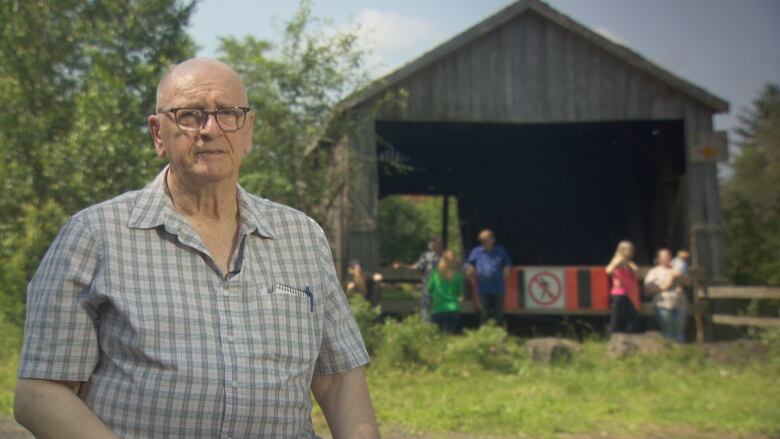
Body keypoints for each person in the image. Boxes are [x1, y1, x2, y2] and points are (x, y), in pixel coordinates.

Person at [14, 58, 379, 439]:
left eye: (228, 113)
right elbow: (40, 393)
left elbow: (339, 380)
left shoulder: (302, 237)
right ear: (158, 134)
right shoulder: (94, 235)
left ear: (248, 130)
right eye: (189, 115)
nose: (210, 129)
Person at [465, 229, 512, 326]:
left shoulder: (500, 250)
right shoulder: (476, 252)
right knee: (483, 311)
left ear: (493, 240)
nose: (485, 242)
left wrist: (507, 267)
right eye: (482, 240)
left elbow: (508, 261)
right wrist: (469, 268)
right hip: (482, 287)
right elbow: (468, 263)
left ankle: (500, 329)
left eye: (487, 240)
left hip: (498, 286)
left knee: (499, 311)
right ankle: (484, 330)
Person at [644, 248, 691, 343]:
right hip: (663, 305)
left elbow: (688, 282)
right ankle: (669, 353)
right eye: (665, 256)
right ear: (658, 259)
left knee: (679, 332)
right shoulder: (654, 272)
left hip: (680, 304)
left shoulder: (677, 269)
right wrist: (663, 287)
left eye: (669, 255)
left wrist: (678, 276)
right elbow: (647, 288)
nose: (669, 257)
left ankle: (681, 352)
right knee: (668, 332)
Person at [392, 237, 443, 321]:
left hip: (435, 286)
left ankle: (432, 326)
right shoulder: (433, 256)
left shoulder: (436, 256)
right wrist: (401, 265)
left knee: (428, 307)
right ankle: (433, 326)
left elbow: (416, 267)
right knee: (431, 307)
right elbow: (416, 267)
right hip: (436, 286)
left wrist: (401, 265)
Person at [605, 240, 640, 333]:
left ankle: (627, 334)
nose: (632, 251)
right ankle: (613, 334)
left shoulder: (629, 262)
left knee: (631, 315)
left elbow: (637, 274)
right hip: (619, 292)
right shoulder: (618, 259)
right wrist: (616, 278)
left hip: (628, 293)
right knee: (618, 315)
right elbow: (608, 270)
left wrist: (632, 267)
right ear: (623, 250)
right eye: (629, 249)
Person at [427, 250, 464, 333]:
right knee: (450, 336)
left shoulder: (434, 273)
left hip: (437, 309)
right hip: (453, 309)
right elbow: (459, 294)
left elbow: (429, 289)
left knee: (438, 338)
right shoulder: (458, 275)